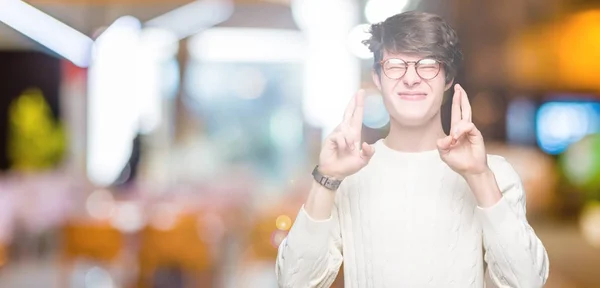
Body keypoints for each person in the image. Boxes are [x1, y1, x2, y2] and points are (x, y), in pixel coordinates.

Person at [275, 10, 549, 288]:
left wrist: (479, 177)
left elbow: (527, 283)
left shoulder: (494, 173)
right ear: (378, 78)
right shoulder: (346, 176)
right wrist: (326, 179)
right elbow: (293, 283)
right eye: (395, 65)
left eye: (428, 65)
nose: (411, 78)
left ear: (448, 78)